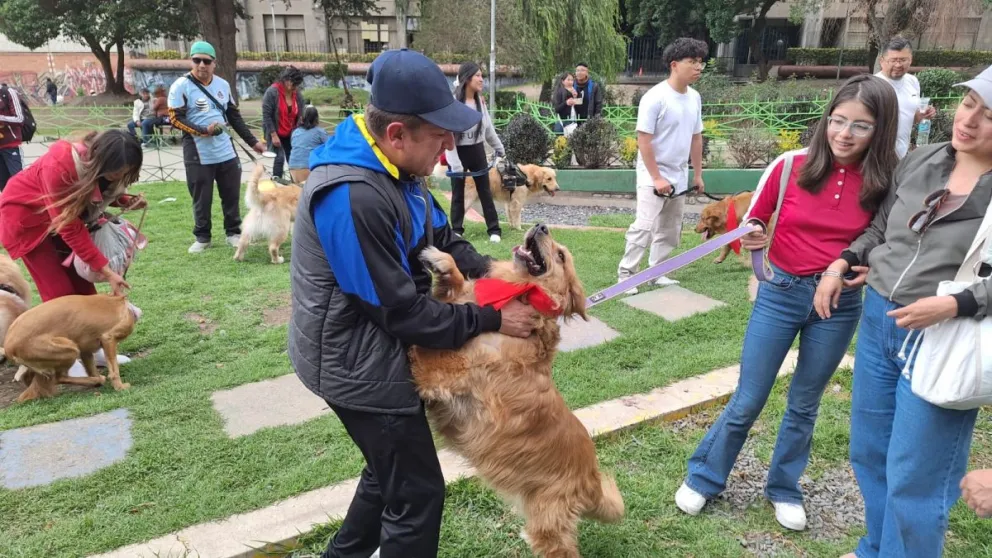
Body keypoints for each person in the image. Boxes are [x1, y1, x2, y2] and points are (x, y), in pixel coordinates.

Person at [288, 48, 539, 558]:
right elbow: (402, 312)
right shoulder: (353, 195)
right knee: (417, 494)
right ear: (398, 133)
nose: (449, 148)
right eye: (441, 136)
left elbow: (443, 236)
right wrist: (493, 317)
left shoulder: (399, 172)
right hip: (355, 363)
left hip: (375, 346)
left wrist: (500, 277)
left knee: (388, 477)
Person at [675, 75, 900, 532]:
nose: (844, 134)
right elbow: (755, 216)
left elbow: (885, 237)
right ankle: (704, 476)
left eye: (861, 126)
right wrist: (754, 232)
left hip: (837, 305)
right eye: (838, 120)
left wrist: (868, 264)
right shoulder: (791, 164)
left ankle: (783, 487)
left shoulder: (886, 179)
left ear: (880, 130)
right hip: (780, 293)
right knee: (748, 397)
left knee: (804, 403)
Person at [816, 64, 992, 558]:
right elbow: (881, 228)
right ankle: (875, 548)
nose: (969, 120)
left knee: (917, 478)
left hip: (942, 335)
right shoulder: (923, 159)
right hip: (879, 321)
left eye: (989, 115)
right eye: (969, 104)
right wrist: (844, 261)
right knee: (870, 453)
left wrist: (956, 302)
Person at [0, 129, 144, 371]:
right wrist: (106, 270)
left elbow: (95, 192)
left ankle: (93, 349)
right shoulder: (61, 164)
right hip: (26, 221)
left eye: (126, 171)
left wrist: (124, 200)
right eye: (117, 171)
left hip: (57, 219)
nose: (120, 176)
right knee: (59, 292)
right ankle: (64, 357)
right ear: (100, 158)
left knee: (83, 288)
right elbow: (70, 227)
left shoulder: (98, 165)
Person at [617, 37, 707, 293]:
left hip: (679, 174)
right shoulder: (655, 97)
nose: (698, 67)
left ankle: (658, 272)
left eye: (701, 62)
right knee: (644, 226)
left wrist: (697, 174)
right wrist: (657, 178)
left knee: (669, 229)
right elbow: (643, 140)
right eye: (692, 61)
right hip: (651, 174)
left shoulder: (695, 97)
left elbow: (696, 137)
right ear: (674, 64)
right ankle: (626, 276)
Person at [168, 41, 264, 254]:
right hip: (198, 152)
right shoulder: (181, 86)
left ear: (214, 63)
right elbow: (175, 118)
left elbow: (233, 116)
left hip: (225, 150)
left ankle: (233, 232)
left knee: (231, 195)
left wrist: (253, 142)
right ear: (191, 61)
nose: (202, 65)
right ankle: (203, 237)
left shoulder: (223, 85)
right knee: (201, 197)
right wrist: (204, 130)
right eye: (197, 60)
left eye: (206, 61)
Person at [444, 62, 506, 243]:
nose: (481, 79)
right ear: (467, 78)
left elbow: (488, 130)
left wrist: (500, 148)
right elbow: (448, 135)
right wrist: (455, 164)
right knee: (458, 193)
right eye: (477, 75)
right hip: (457, 151)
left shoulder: (480, 102)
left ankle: (494, 229)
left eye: (482, 75)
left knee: (485, 190)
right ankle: (457, 229)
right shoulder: (453, 103)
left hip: (477, 150)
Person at [875, 36, 937, 158]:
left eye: (903, 60)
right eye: (893, 60)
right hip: (877, 154)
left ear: (911, 60)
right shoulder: (873, 84)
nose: (898, 65)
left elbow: (908, 117)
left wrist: (921, 116)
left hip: (902, 154)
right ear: (882, 61)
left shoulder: (912, 81)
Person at [262, 66, 305, 180]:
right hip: (275, 130)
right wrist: (273, 135)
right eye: (294, 83)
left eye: (297, 84)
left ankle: (295, 183)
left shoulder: (297, 94)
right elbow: (266, 115)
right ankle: (277, 183)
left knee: (293, 158)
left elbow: (301, 112)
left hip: (291, 132)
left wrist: (301, 125)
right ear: (286, 80)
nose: (295, 87)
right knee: (279, 158)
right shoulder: (272, 92)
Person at [287, 105, 328, 184]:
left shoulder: (295, 132)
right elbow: (330, 148)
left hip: (292, 167)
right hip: (308, 167)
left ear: (301, 118)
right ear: (316, 118)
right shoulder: (320, 132)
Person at [0, 83, 25, 192]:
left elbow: (20, 119)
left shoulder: (8, 92)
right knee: (3, 185)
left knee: (18, 181)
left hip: (11, 146)